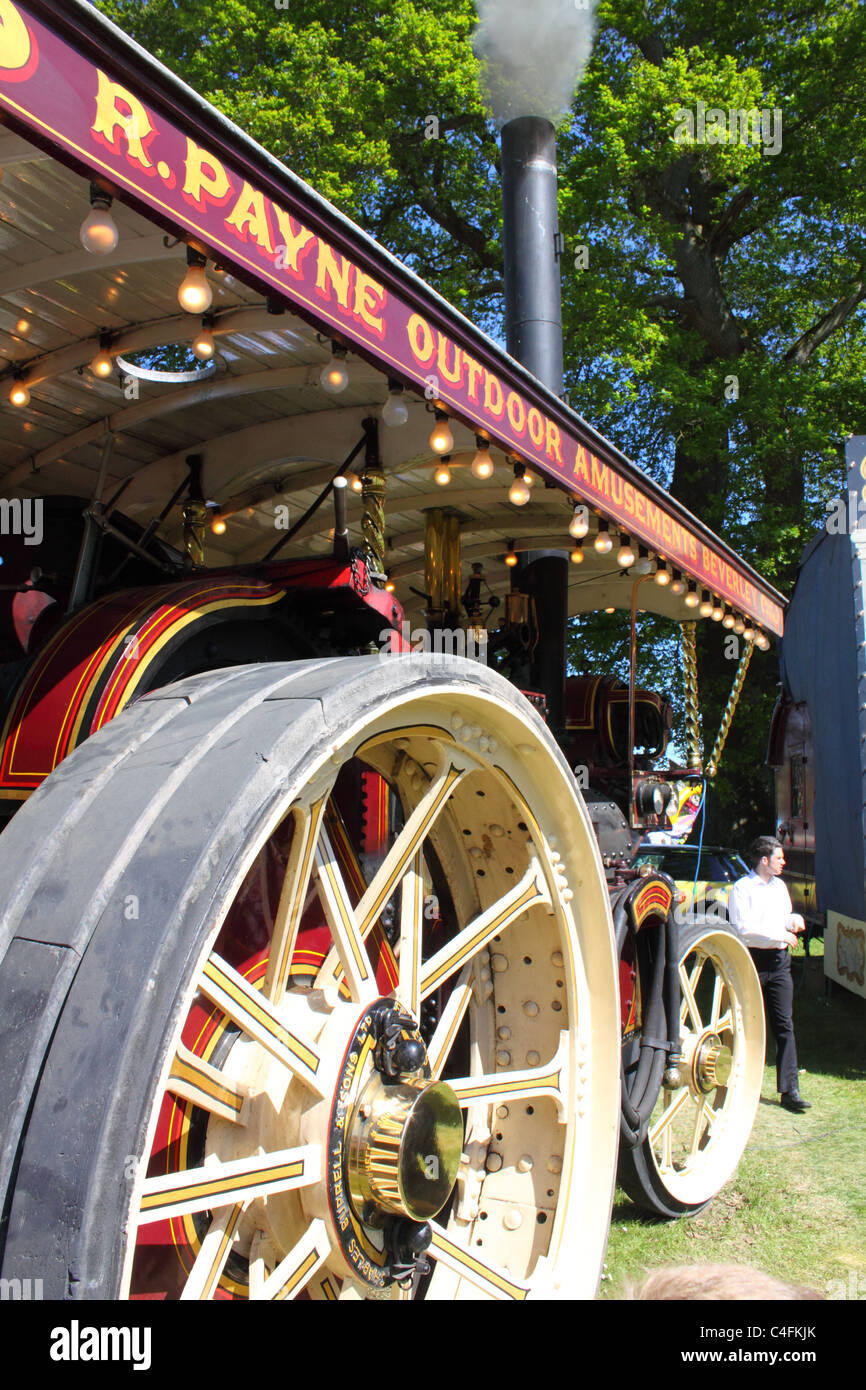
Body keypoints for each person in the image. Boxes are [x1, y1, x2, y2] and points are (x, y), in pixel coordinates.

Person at [728, 835, 809, 1113]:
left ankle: (790, 1091)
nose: (783, 862)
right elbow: (743, 930)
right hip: (752, 961)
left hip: (779, 963)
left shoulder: (780, 887)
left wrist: (793, 921)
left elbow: (782, 918)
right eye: (779, 858)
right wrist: (780, 934)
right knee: (747, 1025)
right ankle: (738, 1086)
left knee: (784, 1025)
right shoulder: (742, 888)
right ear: (764, 860)